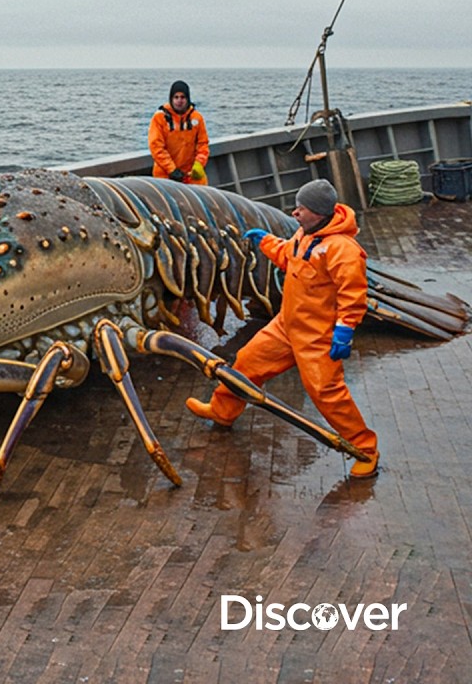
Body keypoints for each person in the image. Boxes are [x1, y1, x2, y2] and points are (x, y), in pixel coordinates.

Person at [186, 179, 379, 478]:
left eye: (302, 208)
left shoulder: (343, 250)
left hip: (317, 336)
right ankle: (221, 412)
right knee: (245, 365)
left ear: (319, 212)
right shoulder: (306, 234)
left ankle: (365, 449)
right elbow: (290, 256)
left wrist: (345, 330)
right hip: (286, 325)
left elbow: (353, 295)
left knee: (327, 393)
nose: (295, 213)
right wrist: (266, 242)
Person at [148, 80, 210, 185]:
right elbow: (156, 147)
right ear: (171, 99)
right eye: (176, 97)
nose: (179, 101)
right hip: (165, 175)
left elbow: (203, 144)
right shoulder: (159, 118)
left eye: (183, 97)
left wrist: (199, 164)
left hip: (190, 174)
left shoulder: (197, 118)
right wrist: (171, 170)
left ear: (188, 99)